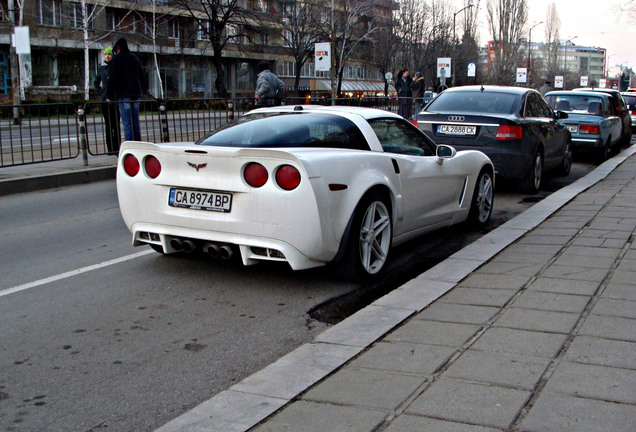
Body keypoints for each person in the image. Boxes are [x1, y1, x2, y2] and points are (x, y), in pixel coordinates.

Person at [106, 38, 148, 141]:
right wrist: (143, 90)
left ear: (118, 49)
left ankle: (130, 145)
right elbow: (142, 75)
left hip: (124, 95)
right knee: (135, 122)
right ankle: (137, 144)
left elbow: (113, 78)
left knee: (127, 123)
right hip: (136, 94)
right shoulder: (134, 58)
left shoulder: (118, 59)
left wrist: (109, 95)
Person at [94, 46, 121, 155]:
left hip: (115, 99)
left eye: (109, 54)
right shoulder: (101, 68)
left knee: (116, 124)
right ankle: (110, 148)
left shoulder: (116, 67)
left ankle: (117, 148)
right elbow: (96, 81)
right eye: (105, 54)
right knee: (108, 125)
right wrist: (100, 92)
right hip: (104, 100)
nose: (107, 56)